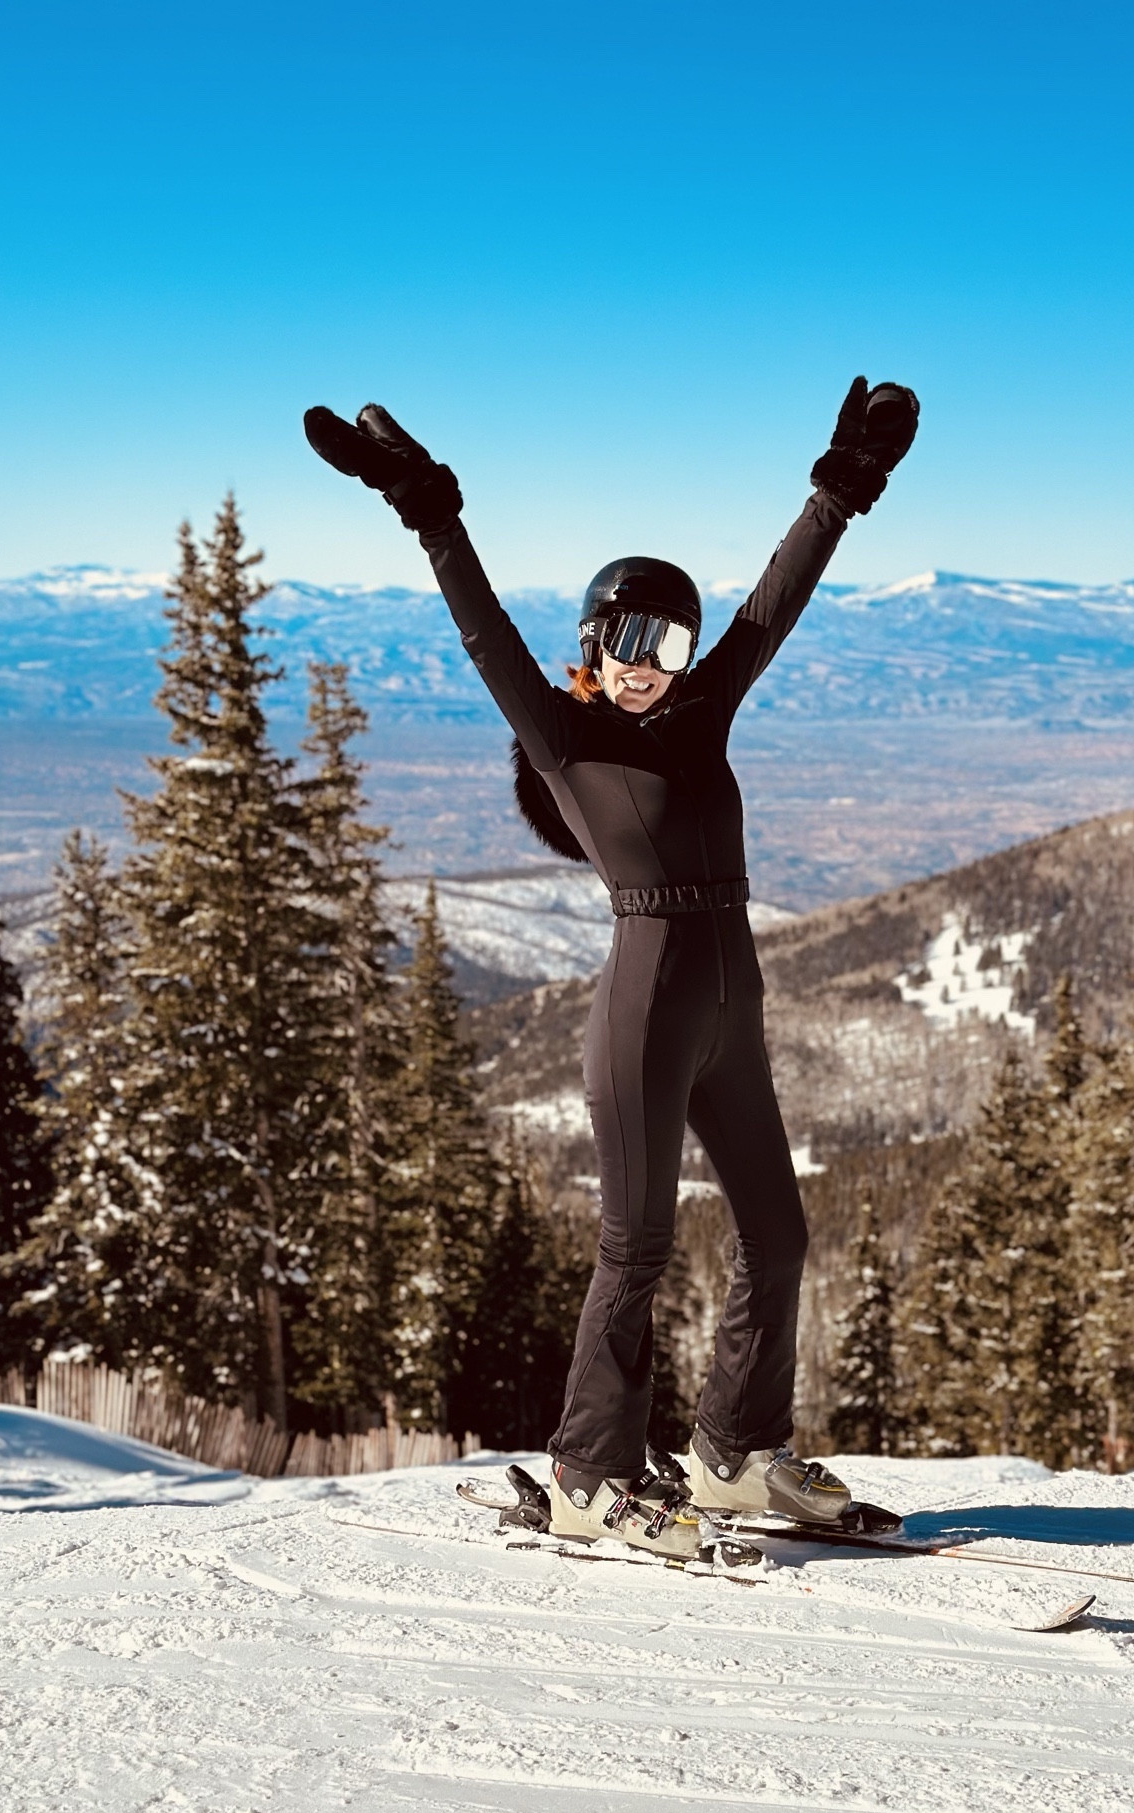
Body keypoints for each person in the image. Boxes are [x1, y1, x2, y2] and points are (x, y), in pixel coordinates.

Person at [304, 378, 920, 1558]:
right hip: (644, 1014)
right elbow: (481, 626)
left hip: (733, 1009)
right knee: (636, 1249)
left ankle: (735, 1453)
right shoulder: (566, 737)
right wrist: (432, 512)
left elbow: (771, 607)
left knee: (778, 1236)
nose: (648, 664)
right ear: (592, 647)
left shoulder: (704, 714)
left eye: (668, 642)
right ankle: (591, 1471)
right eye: (626, 642)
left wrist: (838, 494)